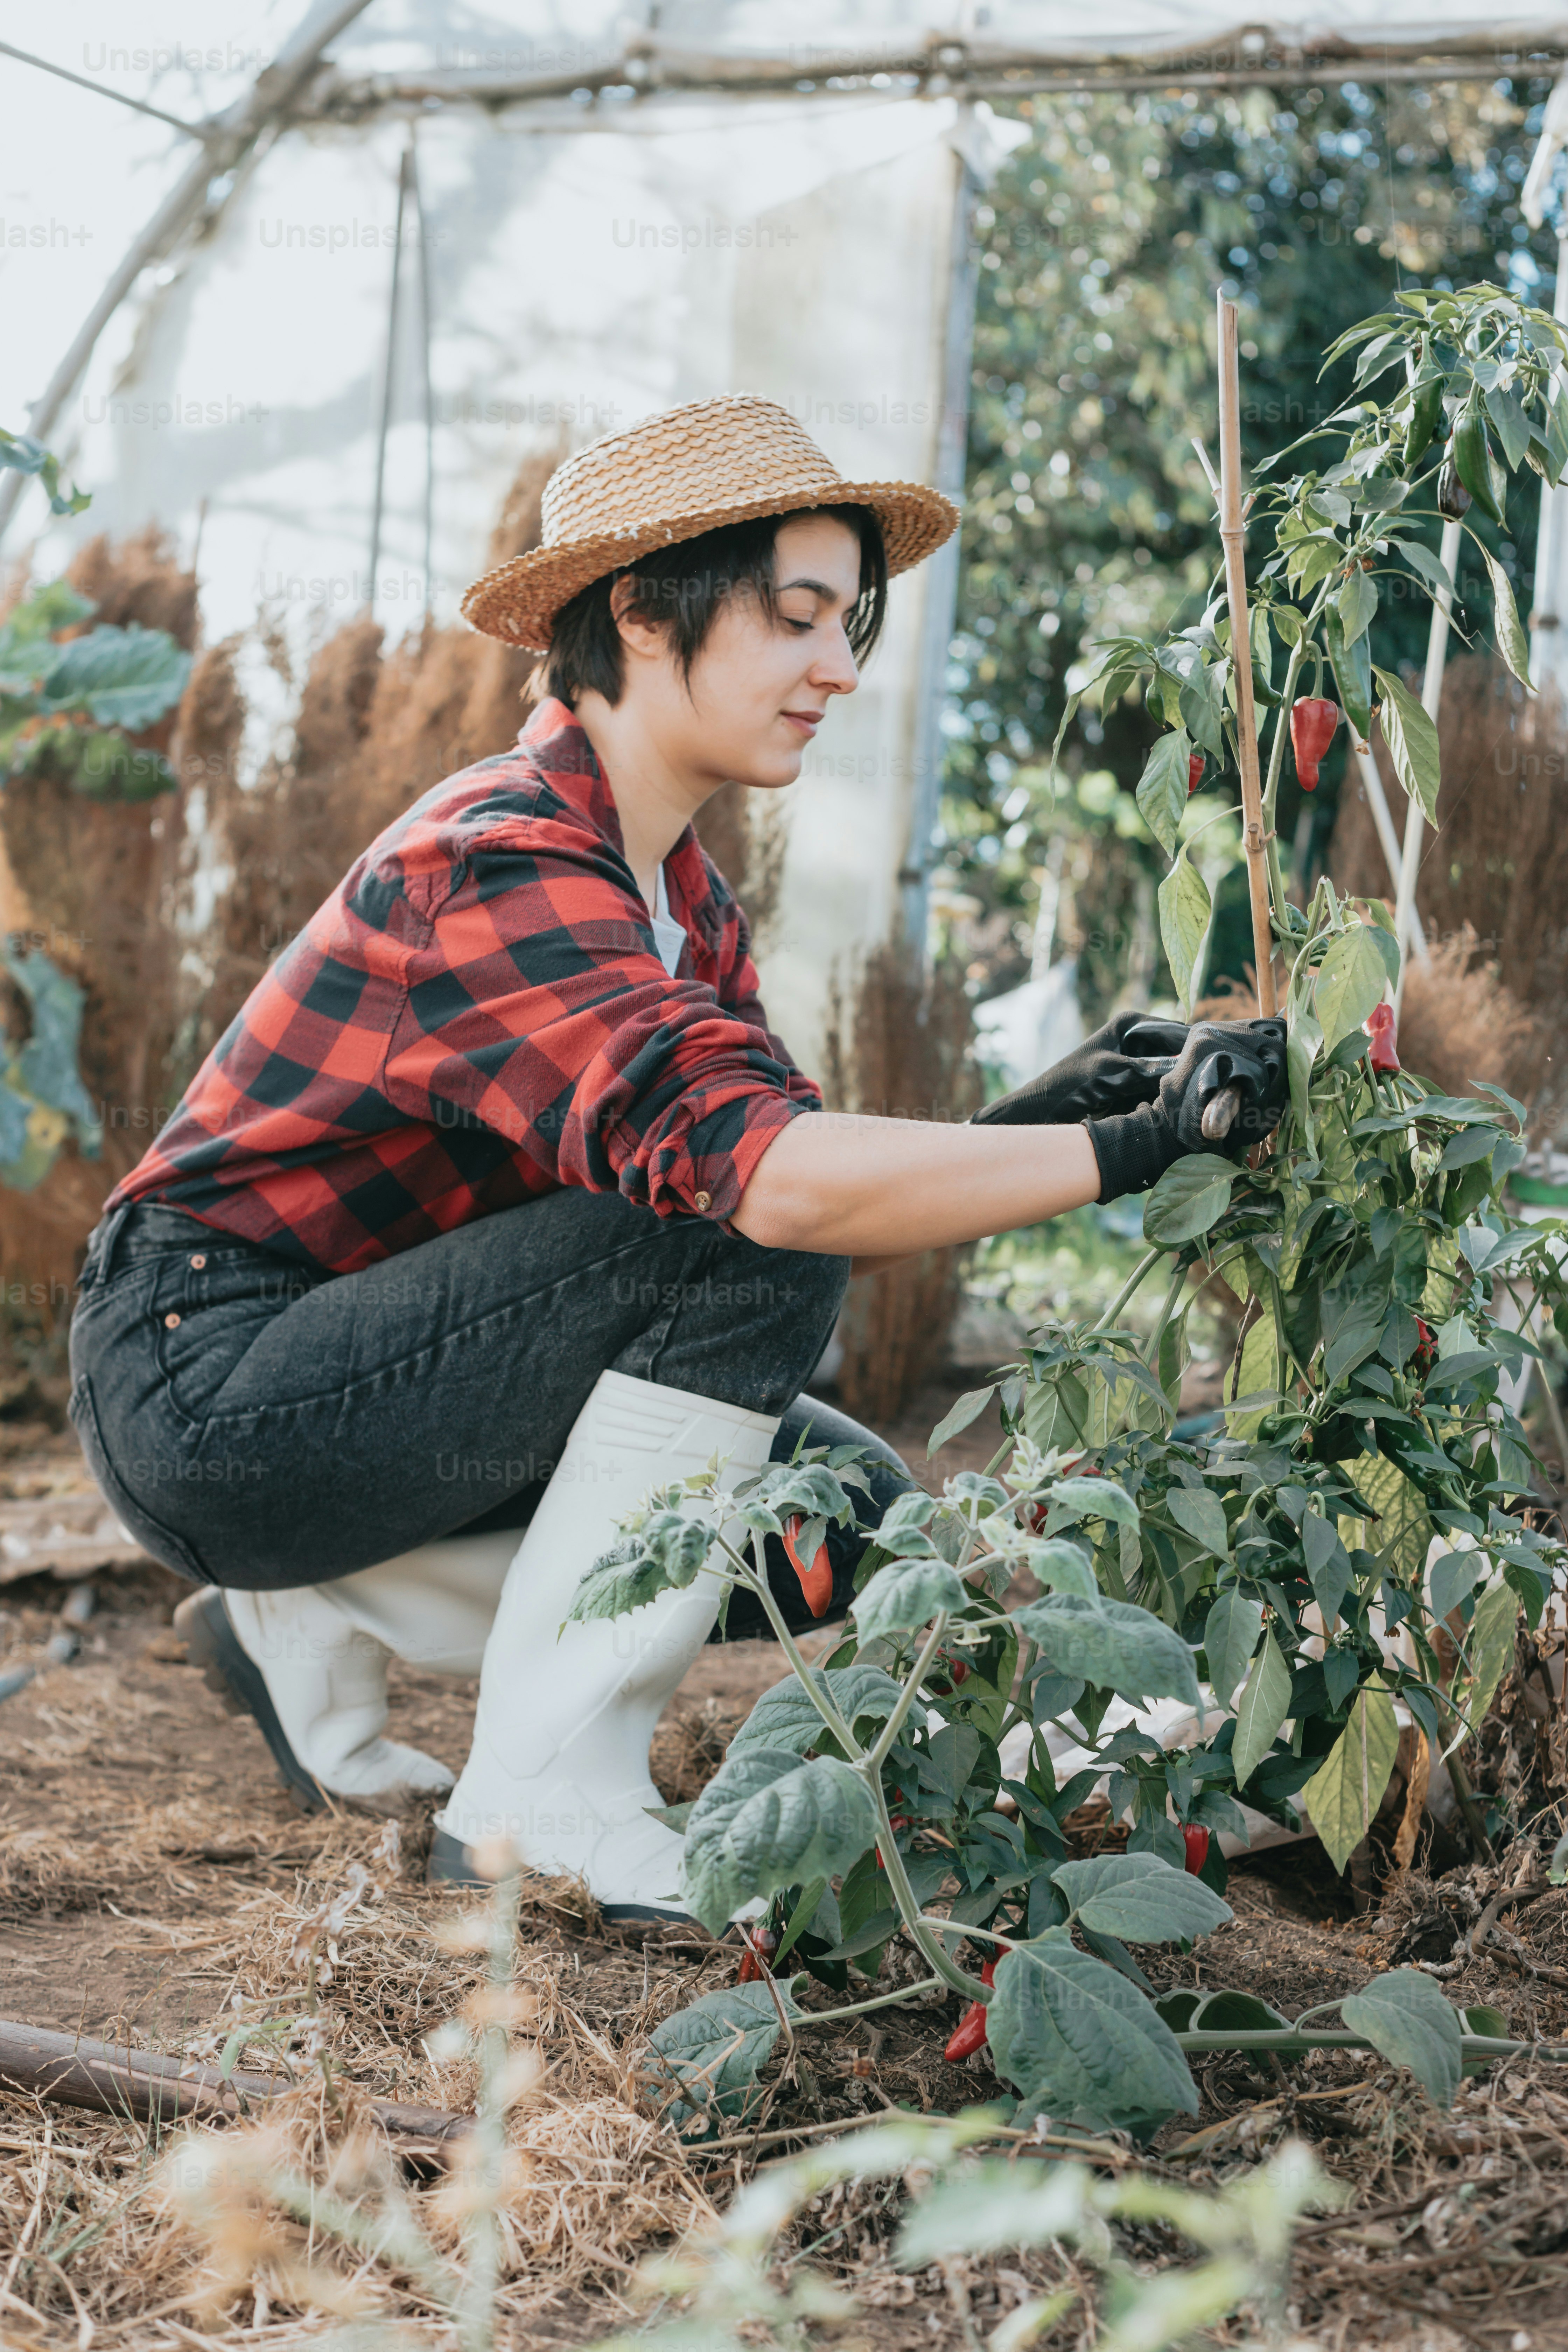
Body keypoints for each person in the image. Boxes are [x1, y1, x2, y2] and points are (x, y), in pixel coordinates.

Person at [66, 394, 1286, 1920]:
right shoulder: (502, 859)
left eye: (850, 624)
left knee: (832, 1511)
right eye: (796, 618)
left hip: (353, 1397)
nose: (839, 668)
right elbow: (768, 1192)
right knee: (750, 1232)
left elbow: (793, 1174)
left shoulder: (678, 900)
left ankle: (303, 1610)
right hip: (211, 1387)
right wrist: (1135, 1148)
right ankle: (551, 1795)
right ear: (642, 614)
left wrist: (1055, 1107)